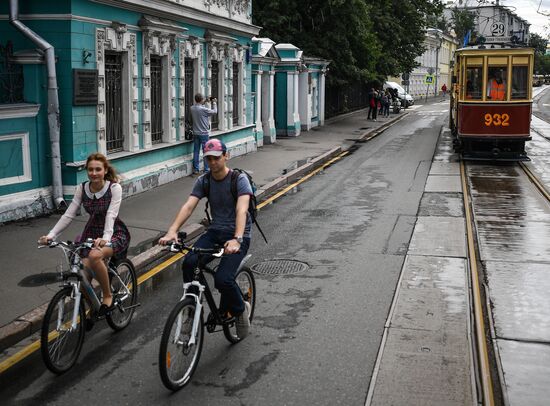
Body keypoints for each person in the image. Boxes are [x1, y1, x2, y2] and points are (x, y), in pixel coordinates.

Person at [159, 138, 253, 338]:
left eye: (216, 158)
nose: (212, 163)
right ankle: (191, 309)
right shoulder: (204, 181)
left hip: (238, 233)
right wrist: (172, 231)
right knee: (189, 263)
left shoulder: (239, 179)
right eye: (208, 159)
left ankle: (240, 310)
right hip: (215, 232)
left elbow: (241, 209)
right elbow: (189, 206)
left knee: (223, 279)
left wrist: (237, 239)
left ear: (225, 156)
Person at [39, 153, 130, 316]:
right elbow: (69, 214)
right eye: (90, 170)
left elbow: (111, 214)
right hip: (91, 233)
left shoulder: (114, 188)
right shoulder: (82, 188)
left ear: (105, 170)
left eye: (98, 169)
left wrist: (106, 239)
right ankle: (93, 308)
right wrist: (51, 235)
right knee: (81, 274)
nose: (94, 173)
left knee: (95, 256)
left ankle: (107, 296)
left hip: (114, 232)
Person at [190, 93, 217, 174]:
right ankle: (206, 170)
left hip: (196, 133)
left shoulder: (192, 108)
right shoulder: (203, 109)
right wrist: (214, 102)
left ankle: (196, 169)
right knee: (206, 152)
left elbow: (199, 106)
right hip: (204, 134)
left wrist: (205, 101)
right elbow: (215, 112)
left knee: (196, 151)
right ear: (201, 100)